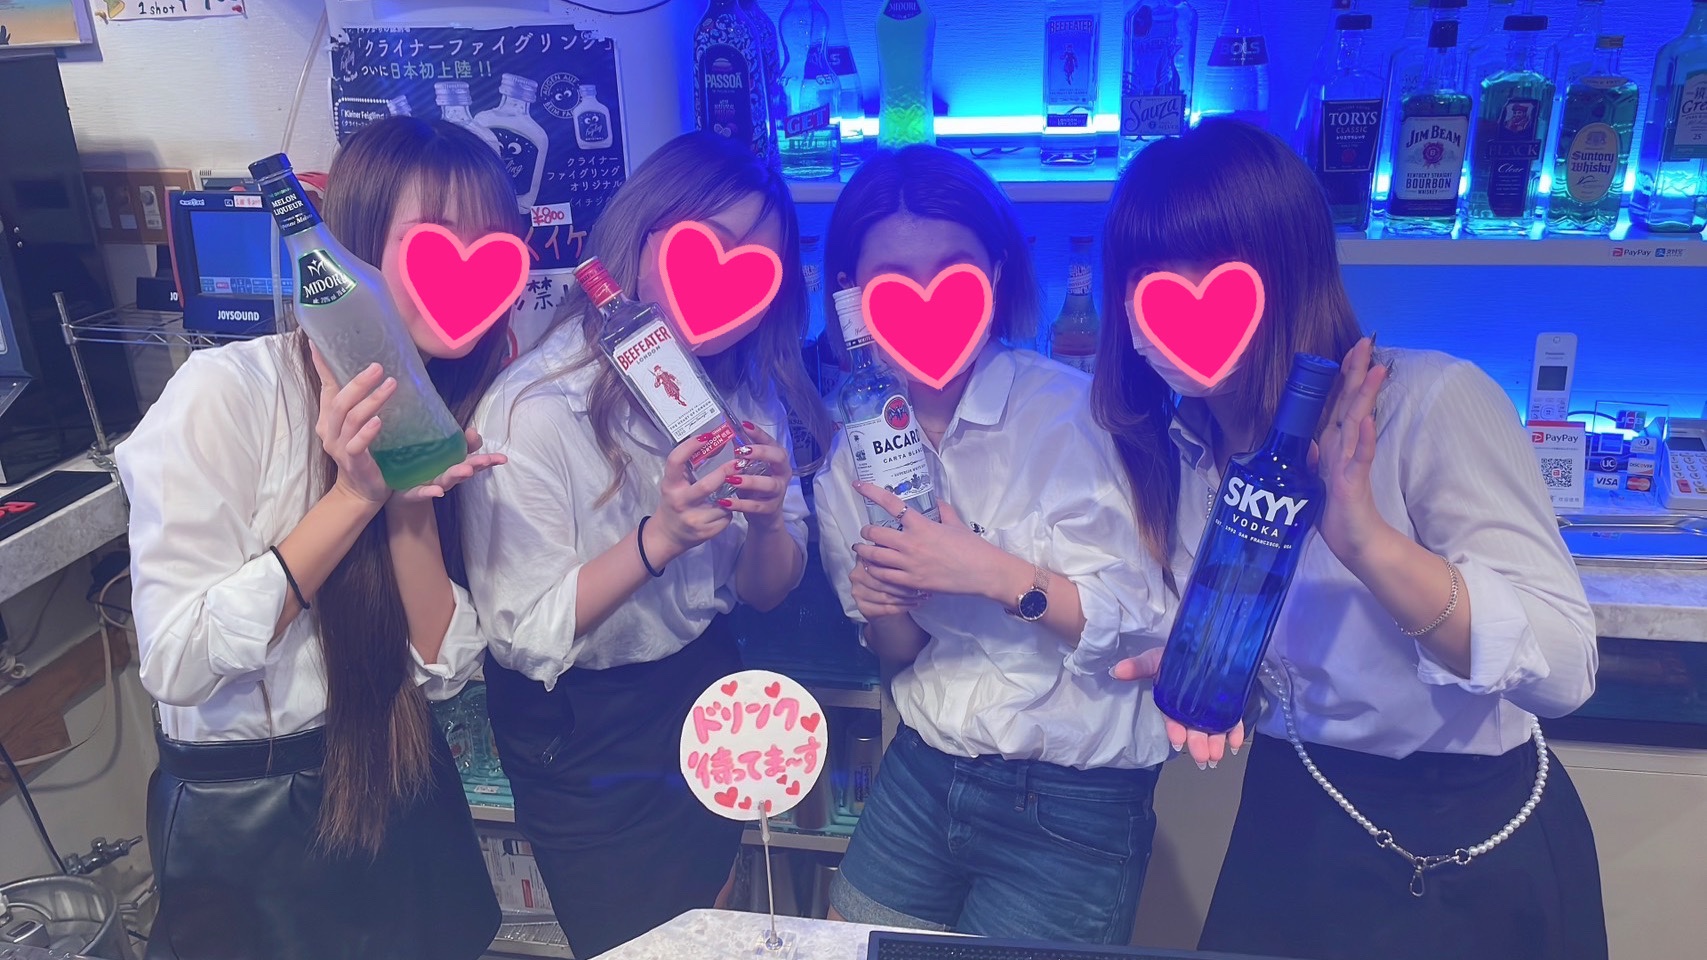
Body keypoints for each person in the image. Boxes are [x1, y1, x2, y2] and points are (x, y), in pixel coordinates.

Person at [1097, 119, 1606, 960]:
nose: (1179, 303)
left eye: (1213, 269)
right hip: (1295, 812)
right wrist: (1224, 677)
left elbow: (1564, 668)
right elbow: (1292, 672)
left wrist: (1366, 540)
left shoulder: (1428, 403)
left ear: (1289, 272)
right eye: (1148, 275)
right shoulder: (1185, 449)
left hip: (1469, 827)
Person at [117, 117, 517, 960]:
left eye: (489, 243)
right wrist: (354, 497)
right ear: (351, 251)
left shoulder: (452, 402)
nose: (462, 267)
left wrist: (405, 493)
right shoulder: (226, 394)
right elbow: (177, 662)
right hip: (251, 814)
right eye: (433, 239)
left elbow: (442, 666)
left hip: (398, 783)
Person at [460, 130, 830, 959]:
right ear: (639, 237)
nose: (726, 283)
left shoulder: (743, 389)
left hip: (703, 681)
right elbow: (523, 635)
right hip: (582, 726)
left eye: (756, 268)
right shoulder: (533, 409)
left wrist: (768, 520)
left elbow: (767, 589)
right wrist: (658, 539)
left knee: (713, 915)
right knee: (633, 942)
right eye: (707, 246)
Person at [813, 145, 1174, 944]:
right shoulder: (849, 457)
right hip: (923, 768)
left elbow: (1147, 631)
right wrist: (884, 605)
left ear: (996, 273)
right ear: (850, 296)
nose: (924, 298)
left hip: (1072, 797)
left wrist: (991, 573)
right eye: (891, 280)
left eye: (953, 271)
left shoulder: (1084, 419)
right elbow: (901, 651)